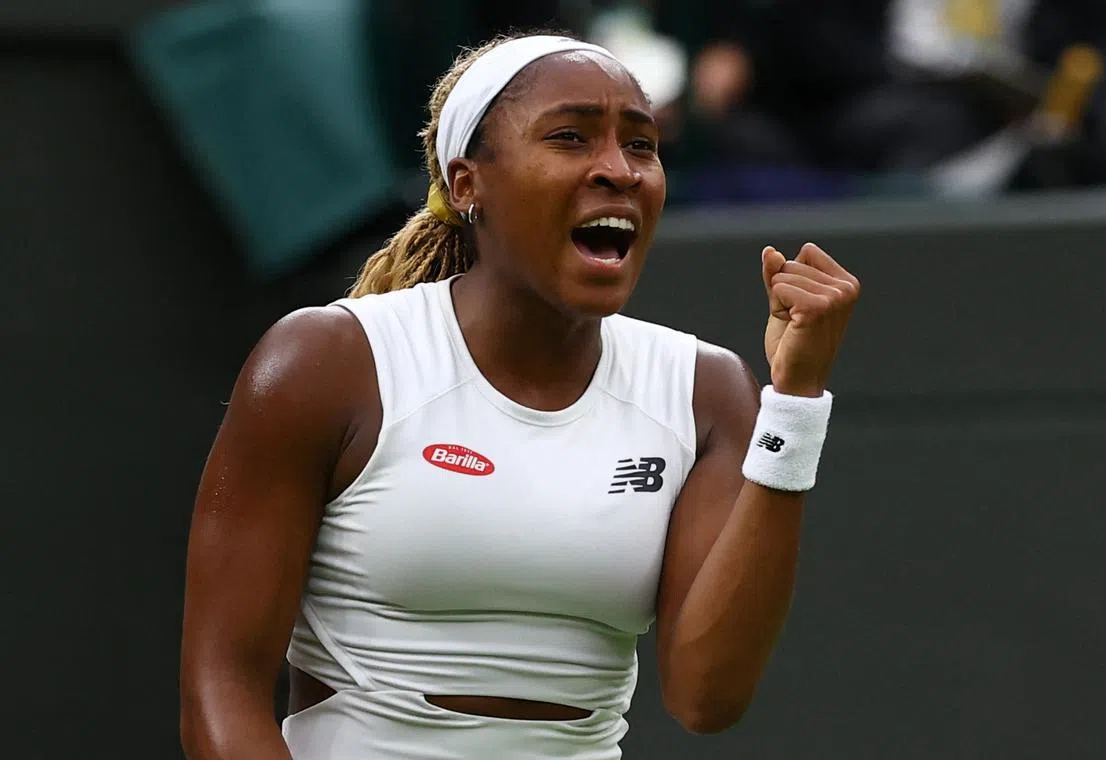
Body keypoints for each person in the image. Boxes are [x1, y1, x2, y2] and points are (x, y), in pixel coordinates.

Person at [178, 33, 860, 760]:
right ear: (468, 183)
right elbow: (219, 686)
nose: (618, 171)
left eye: (642, 145)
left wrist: (792, 404)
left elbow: (707, 697)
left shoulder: (707, 390)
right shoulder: (328, 361)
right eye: (570, 137)